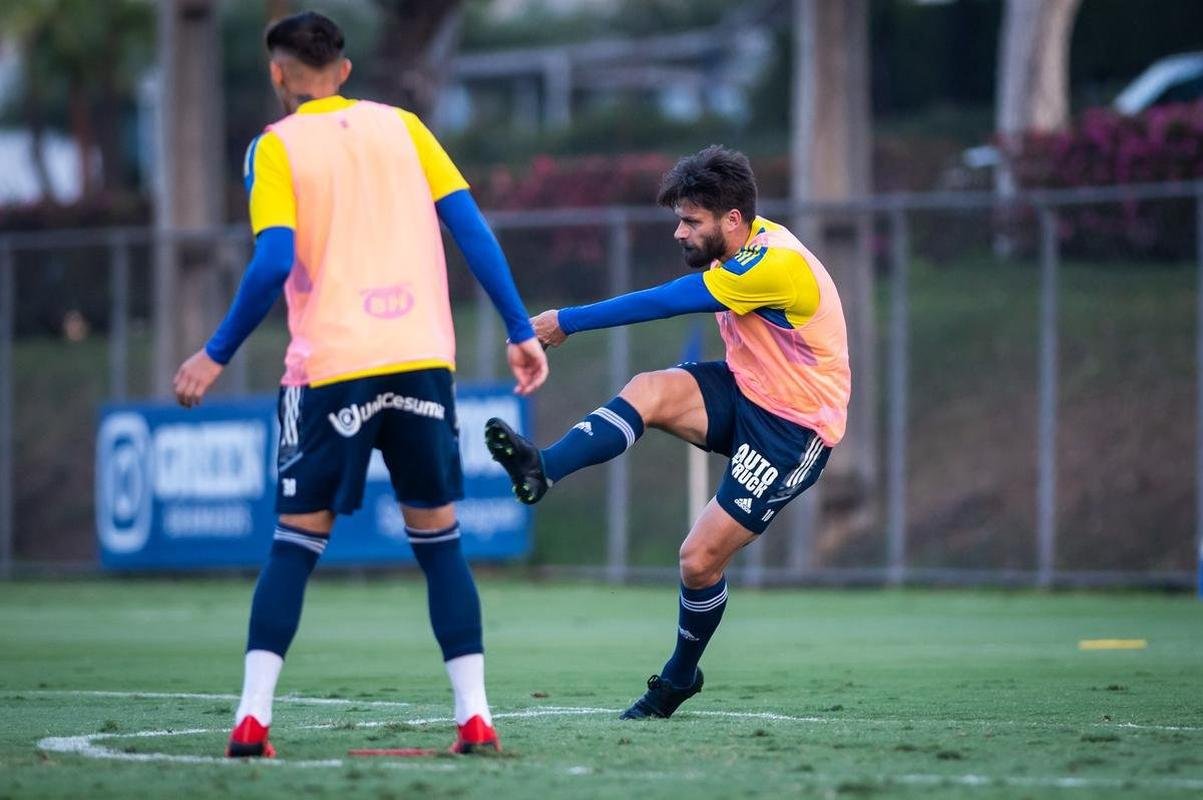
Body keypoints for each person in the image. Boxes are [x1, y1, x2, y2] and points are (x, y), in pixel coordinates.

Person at [172, 11, 548, 756]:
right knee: (440, 544)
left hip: (331, 370)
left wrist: (214, 353)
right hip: (420, 360)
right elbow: (471, 229)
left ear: (277, 74)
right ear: (343, 71)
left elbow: (273, 261)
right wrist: (518, 328)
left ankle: (252, 720)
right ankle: (474, 717)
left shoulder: (273, 148)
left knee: (294, 545)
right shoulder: (404, 127)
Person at [486, 145, 849, 719]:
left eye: (690, 221)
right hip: (745, 387)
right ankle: (543, 467)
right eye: (678, 218)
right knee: (649, 388)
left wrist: (565, 321)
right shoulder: (742, 242)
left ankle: (679, 678)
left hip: (794, 428)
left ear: (733, 220)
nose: (679, 232)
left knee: (697, 561)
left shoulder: (774, 263)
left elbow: (664, 303)